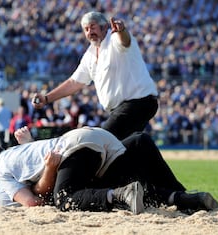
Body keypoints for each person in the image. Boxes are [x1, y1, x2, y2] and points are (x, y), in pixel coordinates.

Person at [0, 127, 218, 215]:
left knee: (65, 199)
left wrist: (46, 175)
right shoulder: (19, 153)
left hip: (74, 147)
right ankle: (186, 198)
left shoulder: (1, 171)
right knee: (138, 144)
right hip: (96, 138)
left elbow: (33, 203)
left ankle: (119, 195)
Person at [32, 11, 158, 140]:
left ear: (104, 27)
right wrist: (47, 98)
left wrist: (122, 31)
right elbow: (74, 82)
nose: (89, 32)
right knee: (125, 150)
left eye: (93, 27)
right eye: (86, 29)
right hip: (123, 108)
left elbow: (125, 42)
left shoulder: (114, 38)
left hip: (138, 103)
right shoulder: (90, 54)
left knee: (103, 141)